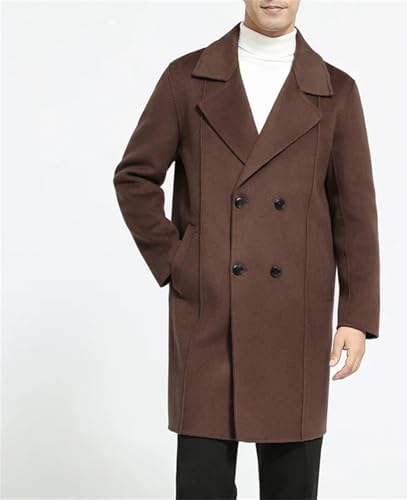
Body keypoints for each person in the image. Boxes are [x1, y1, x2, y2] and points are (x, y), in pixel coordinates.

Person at [113, 1, 380, 498]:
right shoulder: (187, 80)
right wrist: (179, 261)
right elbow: (135, 178)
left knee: (291, 489)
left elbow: (355, 212)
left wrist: (356, 315)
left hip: (294, 317)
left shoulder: (335, 91)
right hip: (209, 315)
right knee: (202, 487)